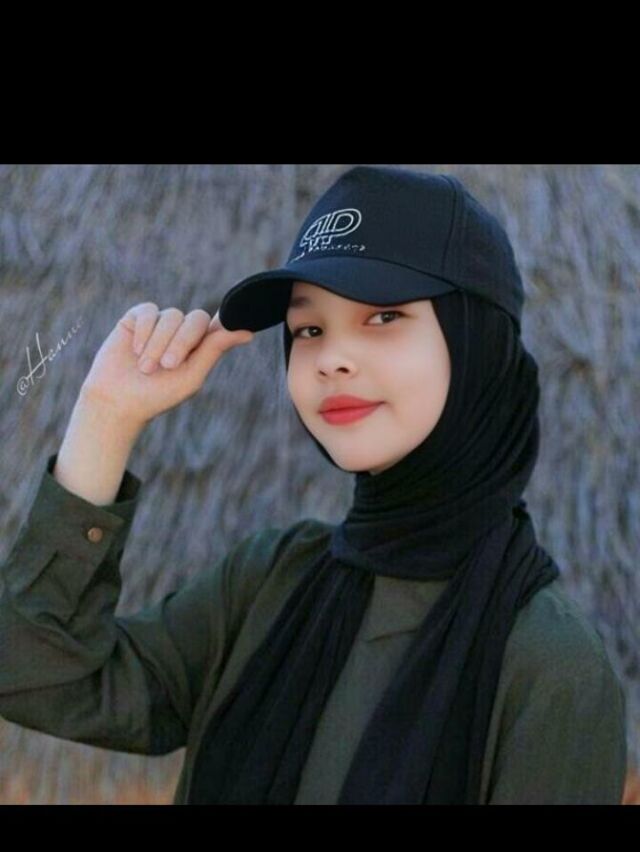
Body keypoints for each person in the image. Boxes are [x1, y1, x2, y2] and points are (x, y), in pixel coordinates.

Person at [0, 166, 627, 805]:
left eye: (384, 315)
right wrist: (107, 415)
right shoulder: (269, 581)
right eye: (309, 329)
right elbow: (33, 671)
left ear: (477, 342)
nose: (331, 358)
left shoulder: (551, 668)